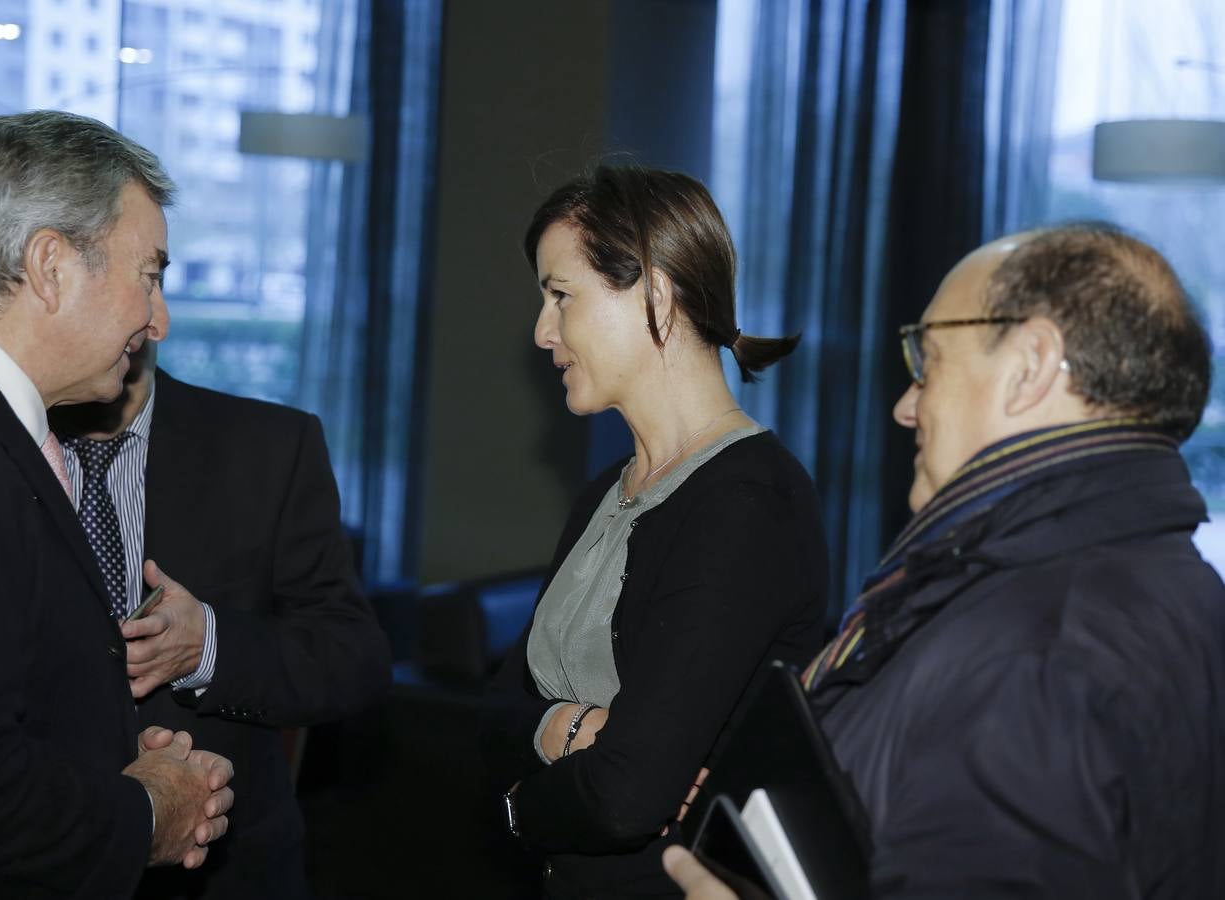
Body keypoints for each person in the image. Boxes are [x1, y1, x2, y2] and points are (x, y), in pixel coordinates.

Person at [666, 223, 1225, 899]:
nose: (907, 406)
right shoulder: (1168, 582)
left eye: (927, 362)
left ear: (1030, 365)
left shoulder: (1033, 646)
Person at [0, 111, 236, 899]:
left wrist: (105, 762)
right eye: (150, 274)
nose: (156, 320)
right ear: (51, 264)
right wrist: (143, 810)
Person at [480, 165, 829, 898]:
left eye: (560, 296)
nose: (543, 331)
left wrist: (517, 805)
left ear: (657, 294)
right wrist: (572, 730)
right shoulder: (603, 497)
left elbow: (625, 798)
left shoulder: (748, 503)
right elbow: (493, 711)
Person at [47, 286, 392, 899]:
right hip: (38, 855)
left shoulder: (270, 447)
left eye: (152, 277)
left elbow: (352, 659)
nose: (152, 311)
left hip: (221, 871)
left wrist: (208, 645)